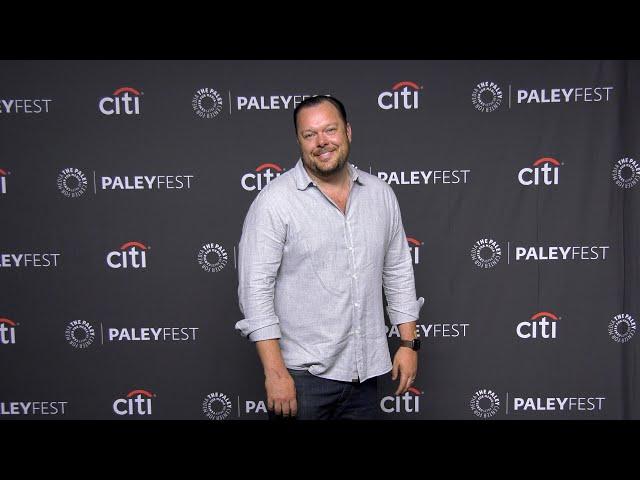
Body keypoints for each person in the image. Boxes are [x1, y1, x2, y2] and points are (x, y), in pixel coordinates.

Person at [235, 95, 424, 420]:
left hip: (365, 377)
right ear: (299, 140)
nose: (322, 142)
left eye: (330, 130)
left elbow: (398, 271)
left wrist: (408, 344)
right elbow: (255, 290)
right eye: (310, 135)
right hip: (301, 380)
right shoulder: (274, 202)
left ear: (348, 131)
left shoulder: (380, 195)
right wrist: (275, 372)